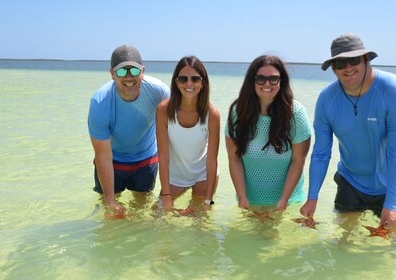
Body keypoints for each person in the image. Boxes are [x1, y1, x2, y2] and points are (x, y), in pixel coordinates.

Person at [300, 33, 396, 228]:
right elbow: (320, 153)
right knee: (342, 245)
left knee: (393, 248)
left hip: (392, 184)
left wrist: (391, 204)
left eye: (353, 60)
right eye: (340, 64)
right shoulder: (327, 100)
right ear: (333, 69)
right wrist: (312, 197)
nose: (348, 68)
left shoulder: (395, 91)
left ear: (366, 59)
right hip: (350, 181)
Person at [88, 45, 170, 213]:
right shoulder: (100, 102)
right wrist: (110, 201)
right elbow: (103, 156)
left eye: (133, 70)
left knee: (141, 213)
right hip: (112, 161)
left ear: (143, 71)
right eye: (121, 72)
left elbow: (175, 134)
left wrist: (167, 193)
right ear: (112, 74)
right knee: (107, 211)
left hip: (146, 160)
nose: (128, 77)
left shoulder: (159, 92)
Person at [225, 55, 312, 211]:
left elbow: (298, 160)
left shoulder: (296, 113)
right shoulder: (238, 112)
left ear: (281, 81)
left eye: (273, 79)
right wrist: (242, 196)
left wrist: (284, 200)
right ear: (252, 80)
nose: (267, 84)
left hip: (288, 202)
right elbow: (234, 157)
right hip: (247, 202)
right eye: (261, 78)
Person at [156, 56, 220, 210]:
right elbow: (163, 157)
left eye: (195, 79)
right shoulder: (163, 110)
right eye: (183, 79)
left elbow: (212, 161)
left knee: (199, 224)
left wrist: (208, 201)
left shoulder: (212, 115)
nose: (189, 84)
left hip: (203, 176)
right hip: (175, 177)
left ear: (203, 83)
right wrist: (166, 196)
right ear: (176, 83)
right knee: (158, 217)